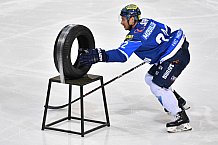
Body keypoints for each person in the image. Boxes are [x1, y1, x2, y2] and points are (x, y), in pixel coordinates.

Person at [79, 4, 192, 133]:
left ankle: (182, 119)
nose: (122, 22)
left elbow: (121, 55)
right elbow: (167, 29)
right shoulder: (147, 21)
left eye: (123, 19)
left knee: (157, 86)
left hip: (174, 58)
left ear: (132, 19)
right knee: (150, 78)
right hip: (180, 48)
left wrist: (100, 55)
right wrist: (155, 52)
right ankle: (178, 101)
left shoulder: (135, 37)